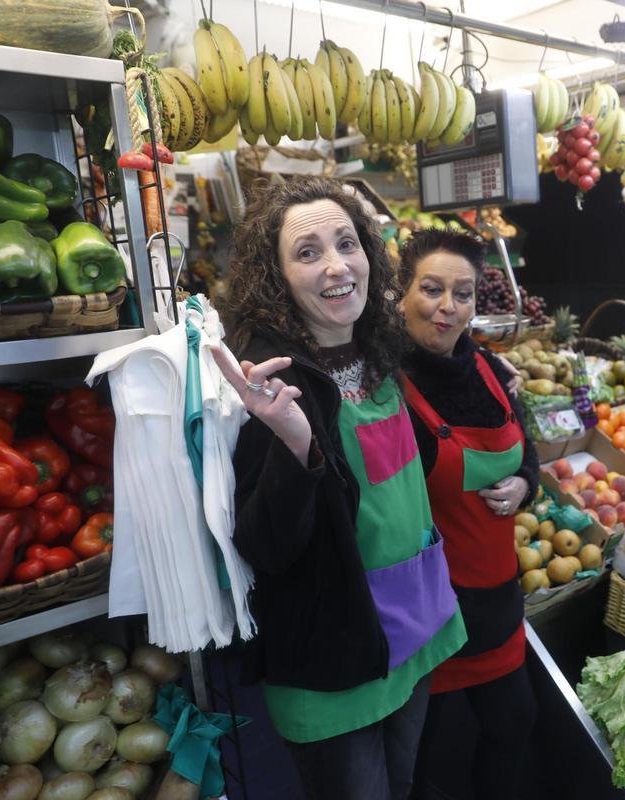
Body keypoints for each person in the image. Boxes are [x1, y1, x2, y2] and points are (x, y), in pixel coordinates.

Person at [216, 177, 466, 800]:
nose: (336, 265)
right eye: (308, 252)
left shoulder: (380, 348)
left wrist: (481, 366)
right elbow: (265, 545)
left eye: (347, 243)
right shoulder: (268, 383)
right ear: (275, 278)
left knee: (403, 784)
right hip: (335, 653)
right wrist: (296, 445)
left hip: (412, 621)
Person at [397, 229, 539, 800]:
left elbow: (526, 447)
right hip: (431, 610)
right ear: (401, 294)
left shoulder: (487, 368)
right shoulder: (385, 386)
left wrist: (524, 483)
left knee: (514, 725)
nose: (448, 307)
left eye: (463, 294)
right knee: (427, 758)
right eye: (432, 289)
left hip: (498, 599)